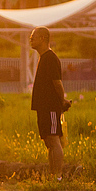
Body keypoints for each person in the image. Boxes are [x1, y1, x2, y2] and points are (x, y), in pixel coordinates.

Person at [29, 27, 70, 179]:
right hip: (43, 108)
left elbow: (57, 84)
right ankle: (53, 176)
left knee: (54, 139)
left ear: (43, 39)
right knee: (48, 141)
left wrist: (62, 101)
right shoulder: (43, 57)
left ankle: (58, 176)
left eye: (33, 37)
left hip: (51, 107)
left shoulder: (51, 58)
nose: (30, 39)